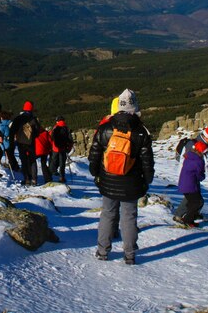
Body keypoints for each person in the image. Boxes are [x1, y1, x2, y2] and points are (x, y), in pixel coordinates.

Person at [88, 88, 155, 265]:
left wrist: (96, 173)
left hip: (108, 180)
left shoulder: (105, 128)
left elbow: (94, 154)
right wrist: (147, 180)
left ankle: (102, 251)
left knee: (107, 214)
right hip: (131, 183)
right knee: (129, 217)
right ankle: (130, 254)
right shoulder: (141, 132)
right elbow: (147, 161)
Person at [173, 126, 208, 226]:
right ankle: (180, 215)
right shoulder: (195, 144)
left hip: (191, 174)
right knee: (192, 197)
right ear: (207, 137)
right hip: (188, 175)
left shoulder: (199, 143)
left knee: (195, 197)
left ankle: (192, 214)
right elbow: (188, 161)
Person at [9, 100, 41, 186]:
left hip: (20, 142)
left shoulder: (18, 118)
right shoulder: (33, 119)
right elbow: (38, 131)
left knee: (24, 160)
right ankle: (34, 179)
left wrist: (12, 142)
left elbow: (12, 131)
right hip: (31, 142)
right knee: (32, 160)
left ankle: (27, 179)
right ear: (31, 109)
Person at [49, 116, 73, 183]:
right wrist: (68, 149)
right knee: (62, 163)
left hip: (55, 148)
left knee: (53, 161)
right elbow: (70, 140)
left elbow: (51, 137)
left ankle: (50, 175)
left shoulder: (55, 127)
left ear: (57, 121)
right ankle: (62, 177)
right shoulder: (67, 128)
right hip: (63, 149)